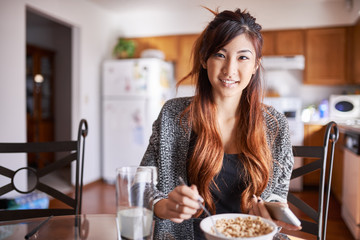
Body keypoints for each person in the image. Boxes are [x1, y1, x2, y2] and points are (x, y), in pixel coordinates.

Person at [141, 7, 301, 240]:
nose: (230, 70)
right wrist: (163, 206)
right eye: (220, 55)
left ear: (256, 65)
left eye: (243, 57)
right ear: (205, 59)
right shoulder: (172, 115)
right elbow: (141, 187)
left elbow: (277, 194)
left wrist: (271, 213)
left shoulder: (275, 125)